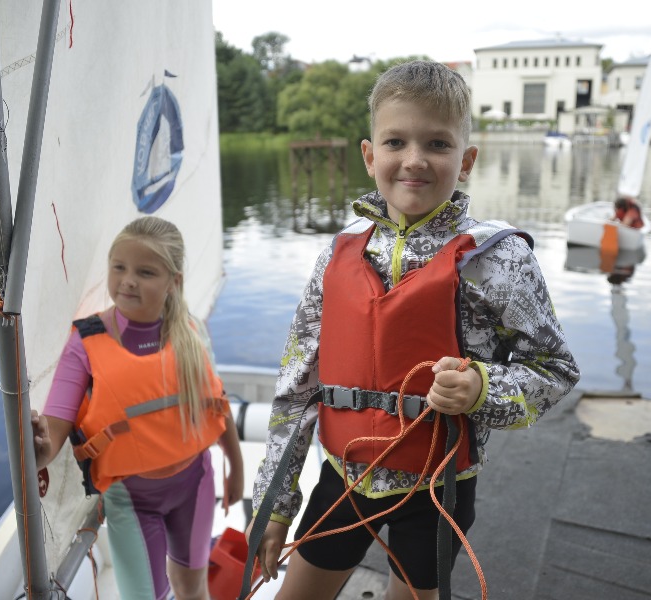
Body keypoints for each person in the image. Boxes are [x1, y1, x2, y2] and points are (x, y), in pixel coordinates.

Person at [245, 60, 580, 600]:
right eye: (396, 142)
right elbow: (296, 389)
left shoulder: (500, 261)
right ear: (369, 154)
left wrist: (481, 388)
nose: (415, 161)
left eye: (438, 145)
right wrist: (274, 504)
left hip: (439, 489)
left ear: (466, 160)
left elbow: (556, 371)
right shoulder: (336, 255)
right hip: (343, 477)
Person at [30, 216, 244, 600]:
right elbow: (51, 441)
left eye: (145, 272)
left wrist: (237, 471)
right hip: (131, 499)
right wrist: (36, 445)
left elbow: (217, 405)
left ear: (173, 283)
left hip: (195, 484)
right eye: (119, 267)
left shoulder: (190, 331)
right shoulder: (85, 343)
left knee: (192, 588)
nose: (128, 280)